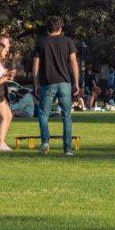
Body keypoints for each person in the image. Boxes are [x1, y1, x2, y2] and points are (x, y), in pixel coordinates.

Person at [32, 16, 80, 156]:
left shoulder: (41, 43)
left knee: (43, 114)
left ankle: (45, 141)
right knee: (66, 116)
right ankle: (68, 149)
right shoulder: (68, 42)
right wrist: (76, 83)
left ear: (48, 28)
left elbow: (35, 66)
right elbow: (73, 63)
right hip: (65, 82)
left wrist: (36, 84)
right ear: (60, 28)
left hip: (48, 83)